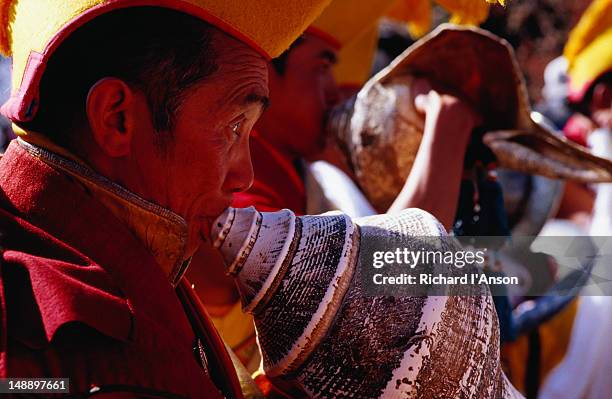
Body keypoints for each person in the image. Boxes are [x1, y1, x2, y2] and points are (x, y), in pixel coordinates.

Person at [0, 1, 331, 397]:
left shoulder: (138, 254)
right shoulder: (71, 354)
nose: (245, 175)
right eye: (234, 127)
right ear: (116, 118)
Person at [189, 0, 490, 381]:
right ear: (262, 73)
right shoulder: (225, 182)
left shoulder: (300, 173)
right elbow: (380, 298)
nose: (333, 92)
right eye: (322, 67)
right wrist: (446, 128)